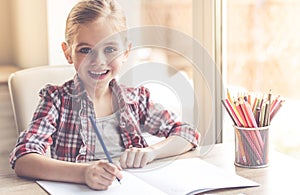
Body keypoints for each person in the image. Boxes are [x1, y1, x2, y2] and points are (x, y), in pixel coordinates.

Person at [9, 0, 199, 191]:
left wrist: (151, 152)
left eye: (110, 49)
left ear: (126, 52)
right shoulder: (57, 101)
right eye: (85, 50)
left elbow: (187, 134)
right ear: (68, 53)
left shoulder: (136, 100)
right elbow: (23, 159)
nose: (98, 61)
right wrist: (83, 173)